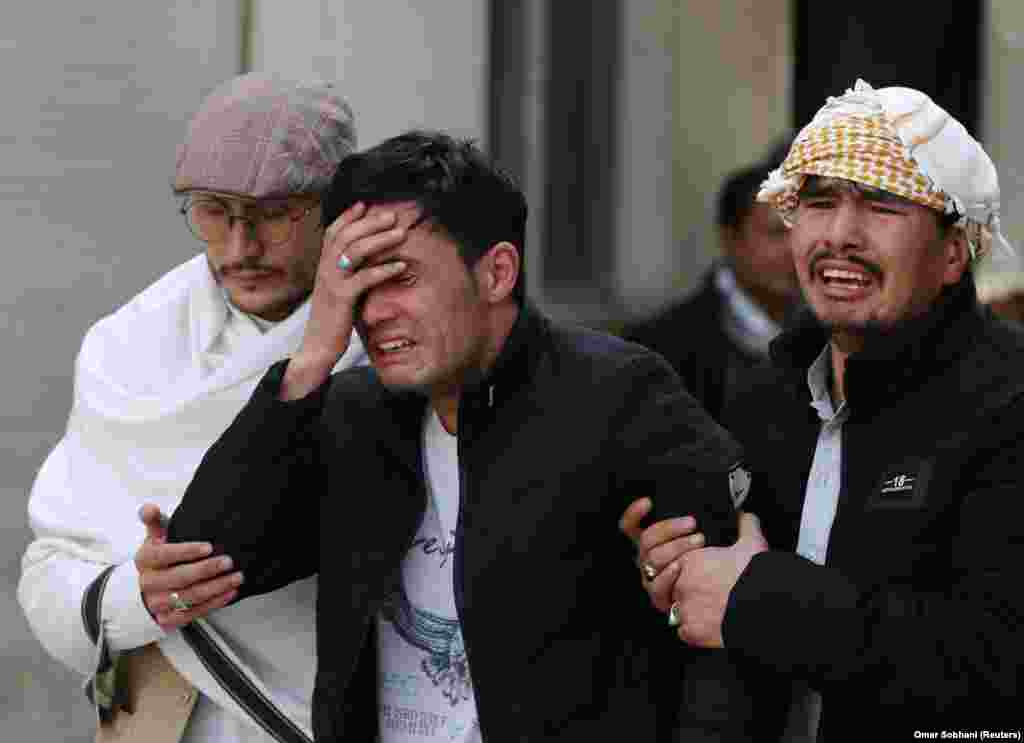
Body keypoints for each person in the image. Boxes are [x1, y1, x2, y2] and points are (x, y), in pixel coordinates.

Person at [167, 130, 752, 742]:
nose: (372, 311)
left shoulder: (616, 393)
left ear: (497, 271)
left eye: (399, 278)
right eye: (354, 284)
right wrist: (313, 353)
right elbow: (203, 560)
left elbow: (725, 612)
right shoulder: (353, 413)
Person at [624, 79, 1024, 740]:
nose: (840, 234)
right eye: (817, 200)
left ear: (956, 249)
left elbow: (989, 666)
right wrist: (672, 571)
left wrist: (754, 597)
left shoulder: (1007, 403)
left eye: (881, 204)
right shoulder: (769, 396)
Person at [18, 73, 360, 742]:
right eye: (213, 211)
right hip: (156, 715)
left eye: (274, 213)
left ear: (337, 207)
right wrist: (134, 595)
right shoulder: (129, 342)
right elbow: (52, 564)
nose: (239, 247)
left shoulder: (396, 346)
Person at [624, 135, 800, 421]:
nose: (794, 249)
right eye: (777, 234)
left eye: (802, 232)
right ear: (731, 239)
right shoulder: (664, 347)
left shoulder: (830, 333)